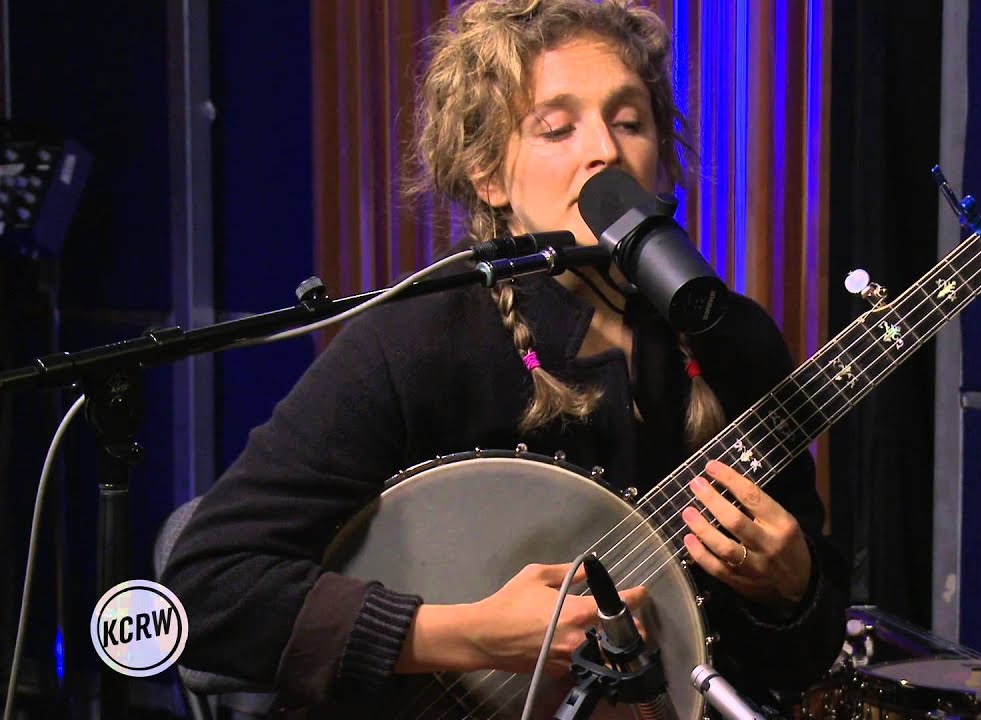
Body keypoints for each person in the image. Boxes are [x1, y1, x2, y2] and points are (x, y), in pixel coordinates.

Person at [161, 0, 848, 715]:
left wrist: (792, 589)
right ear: (489, 176)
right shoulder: (417, 340)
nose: (605, 151)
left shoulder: (734, 342)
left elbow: (799, 657)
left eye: (629, 121)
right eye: (556, 128)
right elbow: (205, 592)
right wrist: (469, 636)